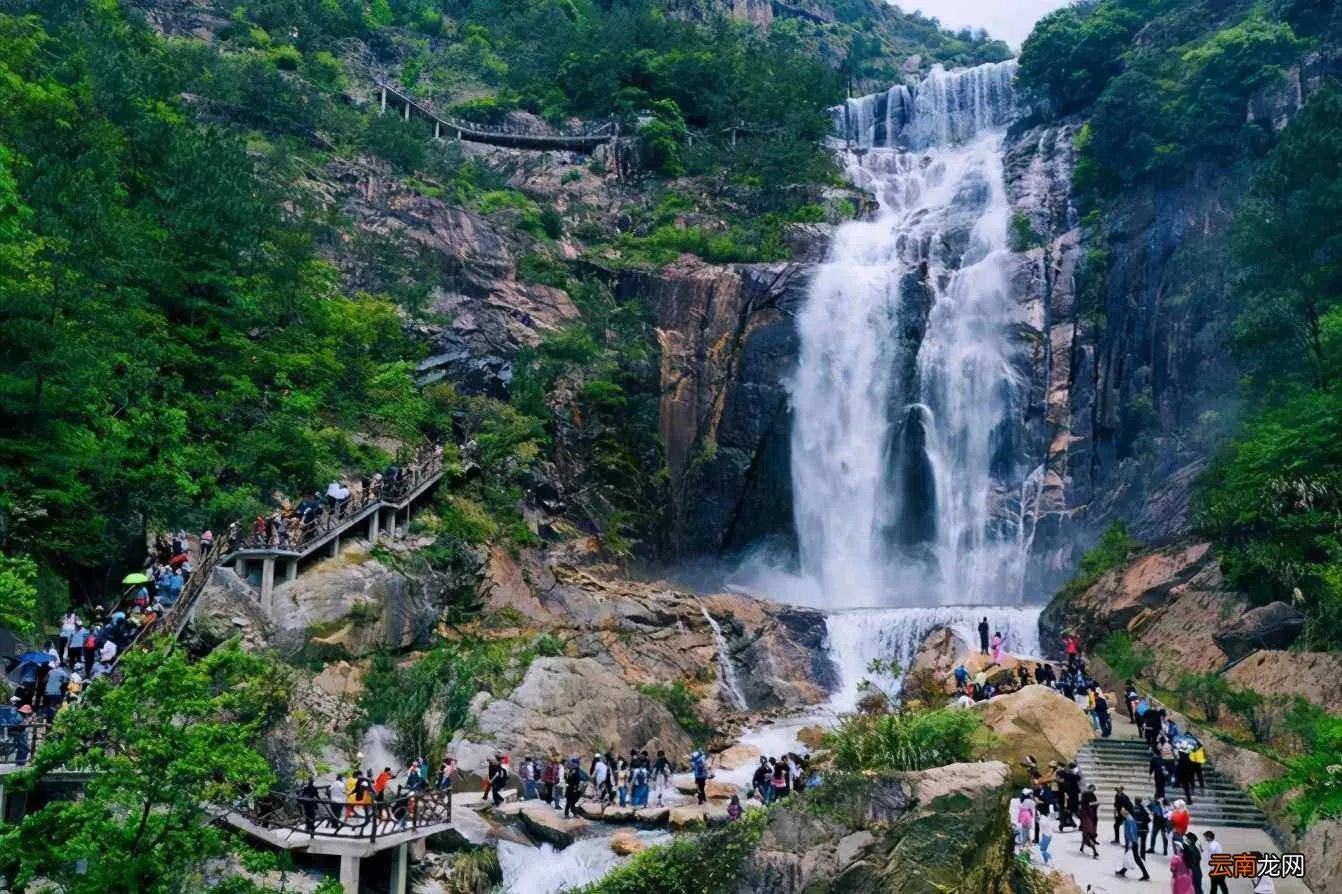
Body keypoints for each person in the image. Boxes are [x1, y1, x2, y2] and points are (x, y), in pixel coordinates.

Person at [1115, 806, 1150, 881]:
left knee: (1136, 858)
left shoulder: (1129, 820)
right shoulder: (1130, 819)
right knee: (1128, 856)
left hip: (1132, 842)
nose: (1122, 815)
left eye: (1122, 814)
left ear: (1125, 813)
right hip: (1133, 841)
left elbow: (1131, 831)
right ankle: (1124, 870)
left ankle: (1145, 874)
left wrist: (1131, 842)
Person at [1079, 784, 1100, 858]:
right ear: (1090, 788)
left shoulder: (1092, 794)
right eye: (1093, 789)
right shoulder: (1085, 795)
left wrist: (1095, 804)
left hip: (1091, 815)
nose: (1094, 790)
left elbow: (1095, 803)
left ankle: (1082, 847)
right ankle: (1094, 852)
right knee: (1088, 833)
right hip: (1087, 815)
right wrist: (1092, 804)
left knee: (1086, 833)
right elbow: (1084, 805)